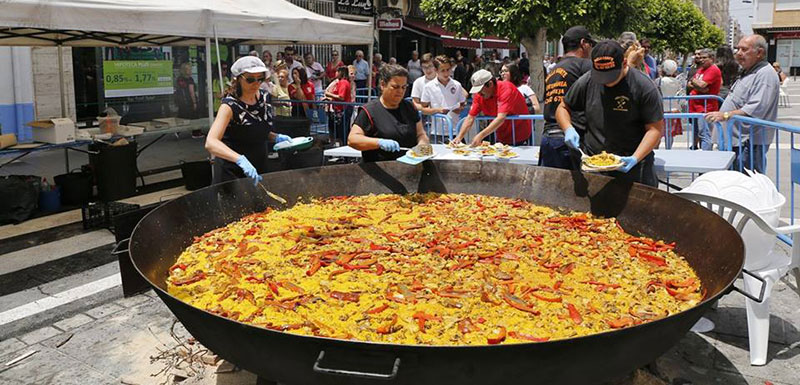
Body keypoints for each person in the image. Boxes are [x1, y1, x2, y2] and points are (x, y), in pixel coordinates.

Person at [556, 40, 665, 187]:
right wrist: (568, 128)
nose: (606, 82)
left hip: (634, 167)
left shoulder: (644, 86)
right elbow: (563, 108)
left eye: (611, 76)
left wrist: (635, 158)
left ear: (624, 63)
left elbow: (655, 129)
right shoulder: (588, 80)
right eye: (601, 75)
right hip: (595, 165)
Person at [205, 56, 291, 185]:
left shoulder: (264, 97)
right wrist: (239, 159)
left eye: (260, 79)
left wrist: (275, 137)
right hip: (232, 173)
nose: (256, 84)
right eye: (250, 80)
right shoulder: (229, 106)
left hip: (259, 166)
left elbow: (253, 128)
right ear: (238, 79)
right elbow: (211, 142)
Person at [705, 35, 780, 174]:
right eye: (737, 49)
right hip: (736, 141)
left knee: (746, 184)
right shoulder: (749, 70)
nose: (738, 53)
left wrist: (725, 115)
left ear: (759, 53)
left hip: (747, 143)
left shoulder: (765, 74)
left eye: (744, 49)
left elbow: (756, 108)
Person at [348, 64, 430, 162]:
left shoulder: (410, 108)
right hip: (380, 170)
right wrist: (379, 142)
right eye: (395, 87)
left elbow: (420, 134)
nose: (400, 91)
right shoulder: (369, 110)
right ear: (383, 85)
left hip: (410, 168)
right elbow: (352, 139)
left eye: (404, 87)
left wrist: (422, 145)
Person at [540, 26, 594, 170]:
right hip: (570, 139)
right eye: (591, 44)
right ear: (583, 43)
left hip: (548, 138)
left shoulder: (554, 70)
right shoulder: (585, 66)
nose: (591, 49)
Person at [453, 69, 532, 146]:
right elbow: (470, 117)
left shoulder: (506, 88)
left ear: (490, 84)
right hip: (501, 136)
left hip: (519, 135)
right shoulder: (479, 95)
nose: (479, 93)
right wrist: (459, 137)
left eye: (480, 90)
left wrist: (480, 135)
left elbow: (501, 118)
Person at [420, 55, 467, 140]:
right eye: (442, 70)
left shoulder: (457, 85)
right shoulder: (428, 87)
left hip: (456, 131)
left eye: (448, 70)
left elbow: (463, 103)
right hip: (437, 132)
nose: (446, 73)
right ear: (436, 70)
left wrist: (460, 108)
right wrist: (437, 110)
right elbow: (423, 109)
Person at [687, 48, 721, 150]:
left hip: (706, 108)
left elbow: (702, 86)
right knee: (697, 133)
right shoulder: (701, 70)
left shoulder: (713, 69)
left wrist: (694, 82)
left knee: (705, 134)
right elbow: (689, 85)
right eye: (700, 57)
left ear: (712, 58)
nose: (701, 60)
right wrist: (694, 82)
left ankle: (706, 157)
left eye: (704, 58)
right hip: (695, 107)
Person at [656, 60, 686, 140]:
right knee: (670, 134)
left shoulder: (659, 81)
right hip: (674, 110)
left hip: (661, 110)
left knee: (658, 133)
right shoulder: (678, 82)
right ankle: (669, 149)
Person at [325, 66, 353, 144]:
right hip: (342, 108)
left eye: (337, 72)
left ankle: (343, 147)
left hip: (344, 109)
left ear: (341, 72)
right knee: (341, 131)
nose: (335, 73)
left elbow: (341, 97)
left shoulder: (343, 82)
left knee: (342, 132)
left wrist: (329, 94)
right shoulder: (342, 82)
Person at [175, 62, 201, 137]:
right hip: (189, 101)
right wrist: (194, 102)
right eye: (189, 69)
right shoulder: (190, 80)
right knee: (195, 116)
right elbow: (191, 91)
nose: (190, 71)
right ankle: (196, 132)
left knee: (182, 116)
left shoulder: (179, 79)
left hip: (182, 101)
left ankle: (178, 130)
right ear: (185, 70)